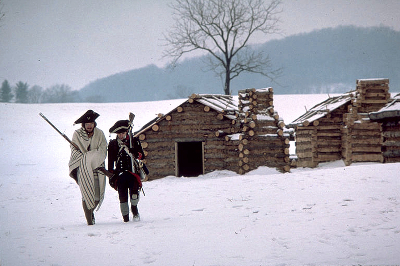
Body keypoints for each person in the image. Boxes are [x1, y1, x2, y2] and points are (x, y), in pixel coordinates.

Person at [68, 110, 107, 225]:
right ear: (83, 125)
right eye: (87, 124)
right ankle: (89, 220)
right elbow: (74, 151)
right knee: (86, 194)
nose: (89, 126)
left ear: (94, 124)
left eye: (91, 124)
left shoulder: (100, 134)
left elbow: (103, 150)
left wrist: (89, 157)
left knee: (96, 196)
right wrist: (86, 159)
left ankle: (91, 212)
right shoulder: (77, 134)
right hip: (83, 168)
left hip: (97, 167)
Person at [107, 119, 145, 222]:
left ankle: (135, 211)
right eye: (119, 133)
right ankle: (126, 219)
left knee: (134, 195)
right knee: (122, 198)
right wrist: (111, 174)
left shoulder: (134, 141)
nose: (121, 135)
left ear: (126, 132)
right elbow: (110, 161)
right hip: (120, 175)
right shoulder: (113, 144)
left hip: (133, 173)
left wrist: (135, 153)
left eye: (123, 133)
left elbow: (142, 156)